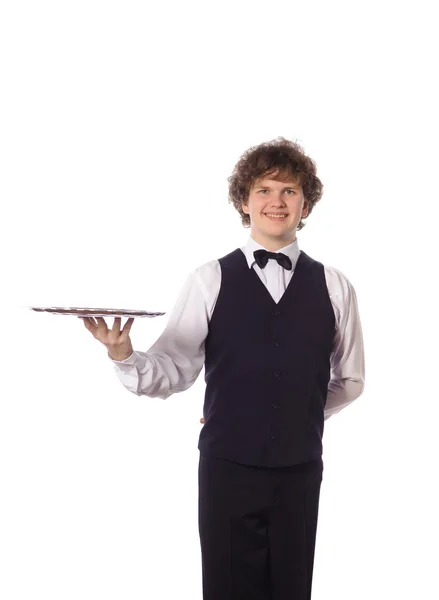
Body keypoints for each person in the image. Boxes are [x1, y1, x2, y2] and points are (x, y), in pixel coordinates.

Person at [81, 136, 365, 599]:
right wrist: (123, 354)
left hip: (300, 470)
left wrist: (292, 413)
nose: (277, 201)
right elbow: (174, 367)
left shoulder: (336, 286)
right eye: (265, 190)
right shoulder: (208, 279)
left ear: (306, 204)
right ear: (243, 201)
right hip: (227, 470)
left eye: (290, 191)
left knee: (292, 588)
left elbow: (350, 381)